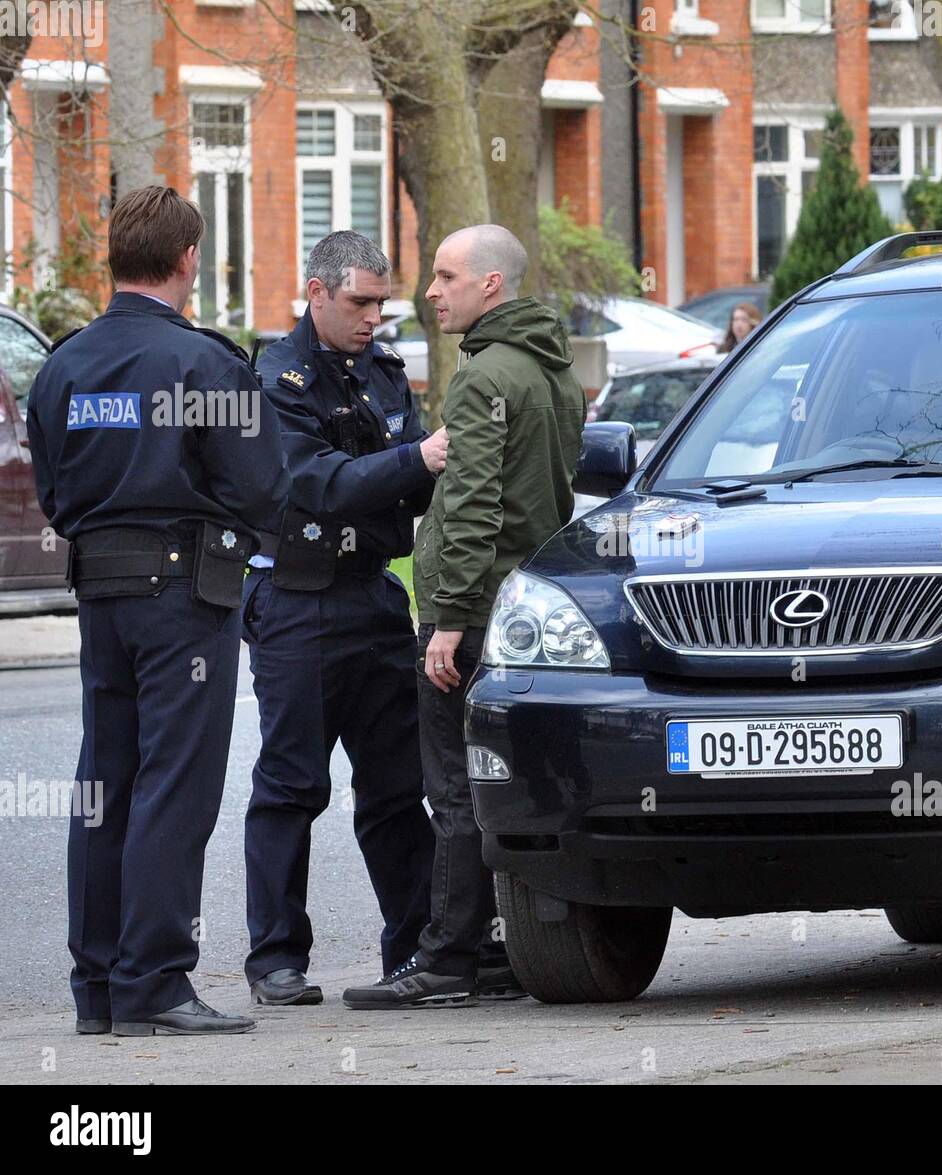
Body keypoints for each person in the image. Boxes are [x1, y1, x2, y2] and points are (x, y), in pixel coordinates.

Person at [26, 185, 289, 1036]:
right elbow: (265, 489)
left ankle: (99, 989)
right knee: (174, 788)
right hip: (184, 601)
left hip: (100, 593)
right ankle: (155, 982)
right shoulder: (206, 364)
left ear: (115, 258)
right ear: (188, 261)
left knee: (105, 784)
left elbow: (55, 493)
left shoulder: (63, 363)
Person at [342, 224, 585, 1009]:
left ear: (491, 286)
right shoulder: (553, 372)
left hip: (470, 616)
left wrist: (446, 617)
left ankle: (448, 960)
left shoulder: (482, 381)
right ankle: (503, 952)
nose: (430, 291)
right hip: (525, 614)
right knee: (508, 789)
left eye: (446, 276)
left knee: (453, 791)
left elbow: (475, 503)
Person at [242, 231, 446, 1006]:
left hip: (371, 591)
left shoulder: (384, 373)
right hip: (300, 600)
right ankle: (275, 958)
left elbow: (413, 484)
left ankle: (416, 946)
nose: (373, 319)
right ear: (316, 292)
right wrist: (412, 462)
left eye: (382, 305)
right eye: (360, 302)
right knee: (292, 784)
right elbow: (313, 482)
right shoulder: (276, 377)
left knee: (397, 786)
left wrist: (418, 469)